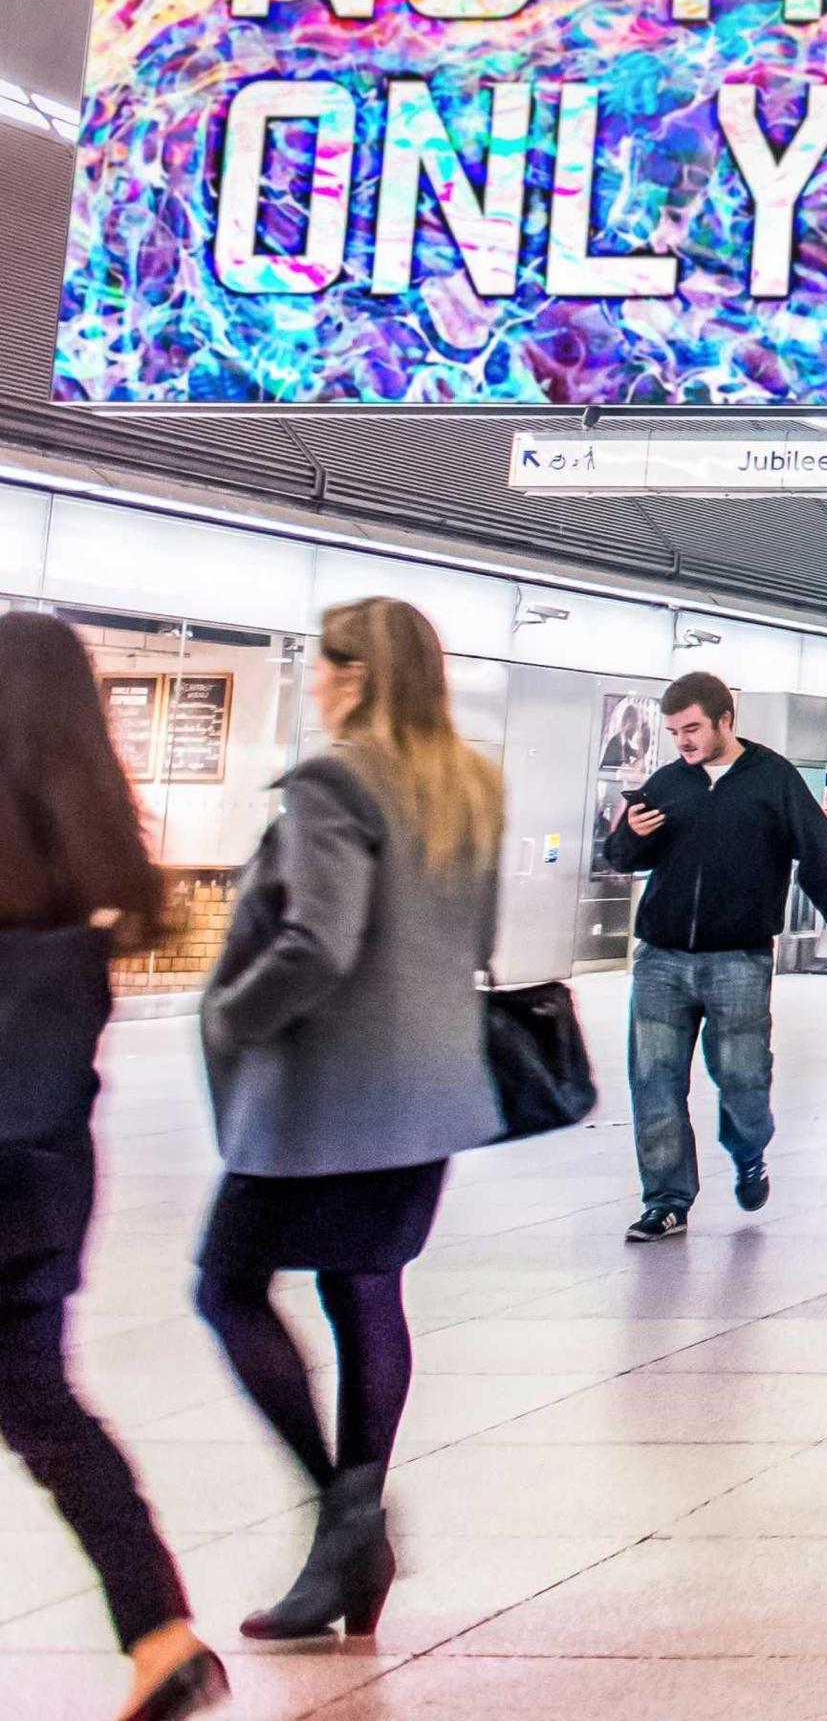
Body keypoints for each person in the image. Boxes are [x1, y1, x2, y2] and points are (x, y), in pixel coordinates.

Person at [196, 598, 509, 1644]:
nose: (316, 681)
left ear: (360, 677)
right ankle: (353, 1543)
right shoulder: (469, 788)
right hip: (431, 1095)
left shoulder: (335, 783)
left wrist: (231, 1012)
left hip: (328, 1100)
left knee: (228, 1284)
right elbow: (480, 935)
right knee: (367, 1289)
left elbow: (318, 945)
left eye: (326, 665)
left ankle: (346, 1519)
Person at [0, 615, 226, 1721]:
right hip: (41, 1177)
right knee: (44, 1408)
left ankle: (162, 1636)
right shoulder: (95, 877)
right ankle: (158, 1633)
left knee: (40, 1410)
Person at [605, 672, 827, 1240]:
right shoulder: (669, 783)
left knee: (744, 1079)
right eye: (674, 732)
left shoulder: (773, 780)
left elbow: (816, 851)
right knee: (653, 1080)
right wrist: (630, 833)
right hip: (661, 959)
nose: (684, 742)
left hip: (738, 960)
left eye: (693, 728)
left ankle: (749, 1151)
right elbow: (623, 857)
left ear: (726, 720)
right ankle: (667, 1200)